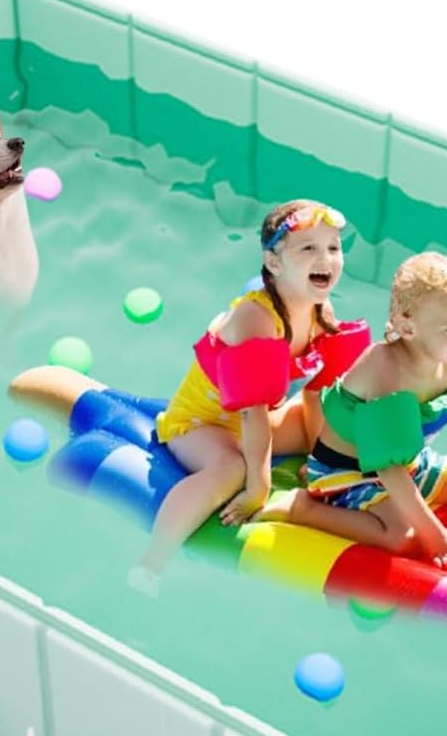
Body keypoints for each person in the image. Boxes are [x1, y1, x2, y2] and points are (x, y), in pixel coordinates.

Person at [127, 200, 370, 595]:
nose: (325, 258)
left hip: (257, 422)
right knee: (231, 469)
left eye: (333, 248)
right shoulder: (257, 319)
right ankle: (151, 562)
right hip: (201, 424)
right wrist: (258, 487)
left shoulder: (320, 311)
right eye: (308, 248)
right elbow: (251, 412)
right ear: (274, 262)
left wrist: (320, 458)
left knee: (340, 431)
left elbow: (316, 393)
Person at [254, 251, 447, 570]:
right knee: (403, 538)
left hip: (409, 464)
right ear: (408, 327)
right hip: (347, 472)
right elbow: (387, 466)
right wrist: (437, 538)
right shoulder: (385, 370)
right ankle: (302, 509)